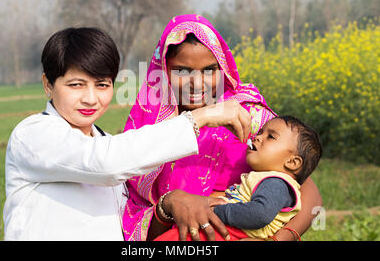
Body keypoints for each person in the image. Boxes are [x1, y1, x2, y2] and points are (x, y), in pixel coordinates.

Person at [2, 27, 251, 241]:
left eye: (102, 85)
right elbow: (104, 162)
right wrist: (202, 117)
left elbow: (131, 227)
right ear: (48, 85)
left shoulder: (109, 144)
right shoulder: (33, 135)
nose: (90, 99)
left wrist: (167, 206)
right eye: (76, 85)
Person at [122, 14, 323, 241]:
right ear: (163, 70)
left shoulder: (248, 116)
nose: (197, 84)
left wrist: (281, 239)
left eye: (209, 70)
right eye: (183, 71)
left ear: (223, 68)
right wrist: (169, 205)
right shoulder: (150, 128)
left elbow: (306, 191)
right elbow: (135, 220)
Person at [154, 115, 322, 241]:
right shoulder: (265, 178)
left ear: (292, 162)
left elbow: (259, 214)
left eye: (270, 137)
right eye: (261, 132)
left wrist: (213, 211)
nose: (257, 137)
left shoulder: (276, 183)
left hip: (234, 234)